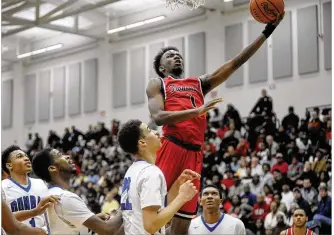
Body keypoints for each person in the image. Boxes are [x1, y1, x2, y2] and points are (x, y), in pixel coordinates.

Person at [146, 13, 285, 234]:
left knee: (182, 224)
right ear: (162, 68)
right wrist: (197, 110)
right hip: (170, 147)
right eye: (170, 56)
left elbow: (236, 62)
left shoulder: (198, 83)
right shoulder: (159, 83)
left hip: (194, 154)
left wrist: (268, 30)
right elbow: (158, 117)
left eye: (178, 54)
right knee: (149, 213)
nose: (176, 57)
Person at [117, 119, 199, 234]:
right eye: (149, 130)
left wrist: (177, 185)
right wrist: (182, 197)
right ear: (142, 143)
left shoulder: (132, 171)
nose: (156, 132)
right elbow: (151, 225)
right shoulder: (150, 172)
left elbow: (157, 210)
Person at [32, 148, 123, 235]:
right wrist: (125, 208)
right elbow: (108, 231)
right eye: (59, 155)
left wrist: (90, 219)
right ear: (52, 168)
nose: (67, 156)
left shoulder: (50, 194)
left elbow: (66, 229)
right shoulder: (65, 197)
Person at [1, 145, 60, 232]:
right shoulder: (2, 187)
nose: (26, 158)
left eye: (26, 156)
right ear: (9, 166)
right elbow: (5, 220)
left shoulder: (41, 183)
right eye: (20, 156)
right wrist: (34, 212)